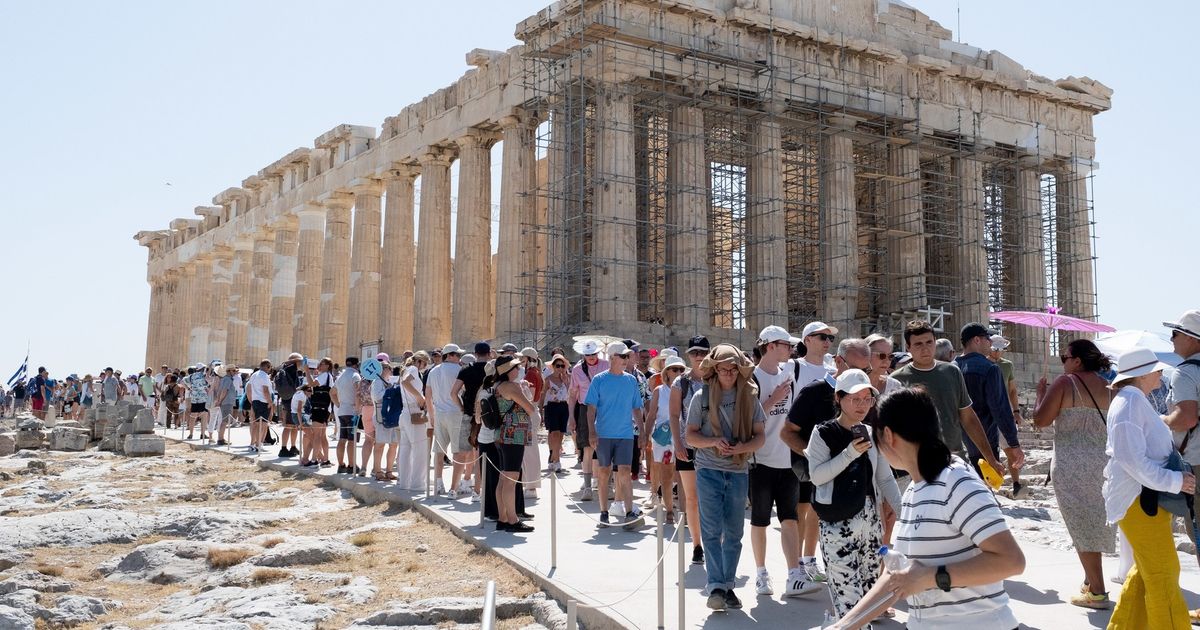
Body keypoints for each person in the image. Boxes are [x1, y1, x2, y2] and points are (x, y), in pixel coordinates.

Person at [831, 387, 1025, 630]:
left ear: (888, 436)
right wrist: (842, 627)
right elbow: (897, 578)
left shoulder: (957, 482)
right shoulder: (915, 489)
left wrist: (931, 577)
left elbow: (1012, 561)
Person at [1104, 348, 1194, 628]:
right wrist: (1176, 481)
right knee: (1164, 573)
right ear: (1142, 374)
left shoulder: (1133, 400)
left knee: (1147, 572)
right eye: (1156, 369)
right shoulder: (1130, 403)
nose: (1161, 373)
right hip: (1140, 500)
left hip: (1144, 499)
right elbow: (1132, 460)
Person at [805, 369, 901, 620]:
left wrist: (906, 513)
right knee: (848, 599)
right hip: (837, 522)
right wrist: (849, 453)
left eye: (867, 399)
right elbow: (817, 476)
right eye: (854, 399)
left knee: (869, 596)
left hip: (870, 521)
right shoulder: (823, 432)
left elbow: (884, 477)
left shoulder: (870, 431)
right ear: (839, 398)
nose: (862, 405)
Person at [1030, 338, 1116, 608]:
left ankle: (1098, 591)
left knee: (1080, 525)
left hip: (1070, 464)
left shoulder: (1065, 383)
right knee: (1093, 522)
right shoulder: (1110, 387)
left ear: (1077, 360)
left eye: (1064, 358)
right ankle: (1091, 581)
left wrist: (1040, 395)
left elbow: (1040, 420)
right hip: (1102, 464)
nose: (1062, 362)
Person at [686, 343, 766, 612]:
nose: (729, 374)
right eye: (723, 369)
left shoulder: (750, 397)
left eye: (733, 369)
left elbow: (760, 437)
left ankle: (727, 585)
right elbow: (691, 436)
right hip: (709, 468)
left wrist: (742, 447)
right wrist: (713, 442)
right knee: (711, 530)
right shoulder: (701, 397)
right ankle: (716, 586)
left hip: (738, 468)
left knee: (734, 532)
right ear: (715, 370)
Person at [749, 325, 820, 598]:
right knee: (759, 521)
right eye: (785, 344)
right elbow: (749, 419)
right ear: (769, 346)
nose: (791, 349)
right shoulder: (752, 378)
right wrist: (772, 400)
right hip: (761, 460)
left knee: (789, 518)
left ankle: (794, 575)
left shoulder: (788, 373)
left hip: (787, 458)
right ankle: (761, 573)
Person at [891, 320, 1005, 478]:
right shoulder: (897, 380)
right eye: (918, 344)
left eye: (929, 342)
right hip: (918, 465)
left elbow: (968, 417)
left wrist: (990, 458)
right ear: (908, 348)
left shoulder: (952, 371)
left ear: (935, 343)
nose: (925, 348)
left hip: (955, 459)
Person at [585, 341, 646, 528]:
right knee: (604, 472)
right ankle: (604, 512)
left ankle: (629, 512)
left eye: (628, 356)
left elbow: (637, 409)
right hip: (604, 434)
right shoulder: (599, 380)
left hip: (625, 434)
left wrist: (642, 432)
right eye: (623, 356)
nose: (627, 359)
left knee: (625, 472)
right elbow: (590, 409)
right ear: (612, 358)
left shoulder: (631, 380)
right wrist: (592, 433)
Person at [670, 335, 710, 566]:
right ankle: (697, 544)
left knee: (713, 498)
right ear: (689, 355)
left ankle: (713, 540)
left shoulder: (718, 379)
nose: (699, 356)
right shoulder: (680, 383)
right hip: (689, 447)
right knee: (693, 499)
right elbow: (674, 415)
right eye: (695, 352)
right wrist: (677, 444)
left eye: (703, 352)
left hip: (714, 446)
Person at [492, 355, 540, 533]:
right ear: (507, 370)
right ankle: (512, 520)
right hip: (514, 436)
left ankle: (503, 518)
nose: (519, 369)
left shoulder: (497, 386)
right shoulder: (511, 387)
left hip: (502, 435)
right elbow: (530, 407)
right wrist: (525, 391)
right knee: (511, 480)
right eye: (515, 367)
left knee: (504, 478)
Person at [646, 355, 686, 524]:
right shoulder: (659, 391)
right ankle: (669, 510)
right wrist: (644, 436)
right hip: (663, 439)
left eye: (681, 369)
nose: (678, 372)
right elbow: (651, 415)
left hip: (683, 437)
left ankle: (684, 512)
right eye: (674, 369)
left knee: (684, 476)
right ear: (666, 372)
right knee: (667, 475)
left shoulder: (688, 388)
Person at [427, 344, 469, 496]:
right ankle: (454, 487)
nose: (459, 358)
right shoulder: (459, 370)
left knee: (439, 451)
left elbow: (428, 395)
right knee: (459, 452)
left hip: (439, 413)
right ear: (450, 355)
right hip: (456, 412)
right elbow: (463, 392)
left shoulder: (433, 371)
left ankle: (438, 484)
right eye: (457, 355)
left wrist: (431, 415)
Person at [568, 340, 608, 500]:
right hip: (585, 408)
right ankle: (588, 487)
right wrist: (571, 416)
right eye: (588, 355)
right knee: (587, 448)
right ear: (583, 355)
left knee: (605, 447)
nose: (591, 357)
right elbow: (572, 395)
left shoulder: (606, 365)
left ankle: (606, 484)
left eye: (593, 354)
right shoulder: (577, 370)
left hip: (604, 408)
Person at [396, 352, 430, 491]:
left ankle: (404, 482)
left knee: (405, 449)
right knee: (420, 450)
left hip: (405, 413)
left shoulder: (406, 369)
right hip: (414, 413)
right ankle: (417, 484)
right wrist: (420, 397)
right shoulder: (414, 369)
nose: (425, 367)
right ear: (420, 361)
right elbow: (406, 383)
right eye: (425, 364)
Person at [370, 353, 399, 481]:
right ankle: (377, 471)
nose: (391, 371)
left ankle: (389, 470)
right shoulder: (377, 382)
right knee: (380, 444)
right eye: (389, 368)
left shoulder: (387, 382)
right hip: (381, 416)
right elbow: (377, 397)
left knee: (393, 444)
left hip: (391, 414)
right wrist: (390, 391)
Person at [303, 358, 336, 468]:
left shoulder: (324, 376)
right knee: (322, 436)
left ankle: (314, 460)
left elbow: (311, 384)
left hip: (319, 408)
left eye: (321, 364)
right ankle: (325, 460)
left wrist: (307, 371)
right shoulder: (328, 376)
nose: (319, 365)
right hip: (325, 408)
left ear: (327, 365)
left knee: (317, 435)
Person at [541, 354, 571, 473]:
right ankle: (556, 460)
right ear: (553, 366)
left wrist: (566, 381)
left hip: (564, 406)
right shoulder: (548, 379)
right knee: (554, 433)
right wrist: (540, 408)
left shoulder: (567, 378)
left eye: (562, 366)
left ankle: (553, 457)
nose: (560, 368)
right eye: (557, 365)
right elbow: (543, 394)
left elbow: (570, 393)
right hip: (551, 406)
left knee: (561, 434)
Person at [334, 356, 362, 474]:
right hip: (352, 410)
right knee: (352, 440)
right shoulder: (355, 375)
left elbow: (332, 392)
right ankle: (351, 465)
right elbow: (358, 392)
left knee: (342, 439)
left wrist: (338, 404)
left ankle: (341, 465)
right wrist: (357, 408)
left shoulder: (340, 376)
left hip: (342, 410)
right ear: (356, 365)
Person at [275, 353, 304, 458]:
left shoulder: (283, 368)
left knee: (293, 425)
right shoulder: (290, 368)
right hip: (291, 400)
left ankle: (292, 447)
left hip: (287, 399)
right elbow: (301, 362)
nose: (301, 363)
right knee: (289, 426)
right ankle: (283, 449)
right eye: (299, 361)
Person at [247, 360, 274, 452]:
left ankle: (253, 444)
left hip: (255, 401)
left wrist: (251, 400)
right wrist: (270, 402)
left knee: (255, 424)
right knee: (263, 425)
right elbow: (265, 390)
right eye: (270, 367)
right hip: (263, 401)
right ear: (267, 366)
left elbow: (249, 388)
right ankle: (259, 445)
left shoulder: (254, 375)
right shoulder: (264, 376)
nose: (270, 370)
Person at [183, 364, 212, 441]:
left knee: (193, 416)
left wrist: (189, 388)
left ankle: (191, 434)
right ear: (203, 369)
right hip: (203, 398)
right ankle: (202, 434)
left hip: (194, 398)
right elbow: (210, 381)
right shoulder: (204, 375)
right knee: (204, 417)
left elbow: (183, 382)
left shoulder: (191, 376)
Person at [212, 364, 239, 446]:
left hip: (225, 402)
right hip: (227, 402)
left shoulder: (224, 379)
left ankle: (221, 438)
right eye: (233, 371)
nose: (235, 372)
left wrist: (219, 400)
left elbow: (220, 391)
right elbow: (224, 391)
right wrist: (220, 401)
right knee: (224, 421)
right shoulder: (228, 380)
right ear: (229, 371)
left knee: (223, 420)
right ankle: (220, 439)